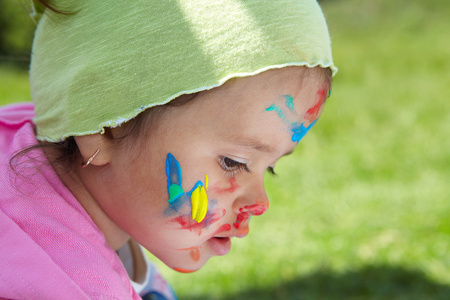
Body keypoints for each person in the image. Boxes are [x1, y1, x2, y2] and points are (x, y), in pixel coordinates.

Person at [0, 0, 337, 299]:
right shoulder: (63, 286)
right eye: (233, 162)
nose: (260, 204)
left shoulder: (18, 135)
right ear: (103, 130)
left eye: (272, 167)